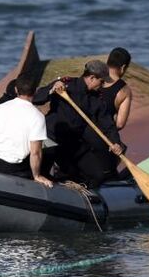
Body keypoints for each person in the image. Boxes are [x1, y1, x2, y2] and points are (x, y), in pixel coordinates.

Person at [35, 60, 125, 189]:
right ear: (92, 78)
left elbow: (108, 124)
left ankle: (83, 200)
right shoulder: (66, 85)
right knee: (44, 173)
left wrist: (116, 142)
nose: (103, 84)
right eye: (102, 81)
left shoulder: (96, 99)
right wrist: (52, 88)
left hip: (72, 144)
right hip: (51, 139)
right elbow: (37, 98)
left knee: (97, 175)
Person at [0, 71, 53, 187]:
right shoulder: (37, 117)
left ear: (16, 89)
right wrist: (37, 176)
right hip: (12, 168)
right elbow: (35, 153)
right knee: (50, 150)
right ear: (36, 90)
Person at [103, 47, 133, 131]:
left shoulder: (93, 78)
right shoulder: (124, 90)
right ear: (123, 67)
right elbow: (120, 124)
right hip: (103, 136)